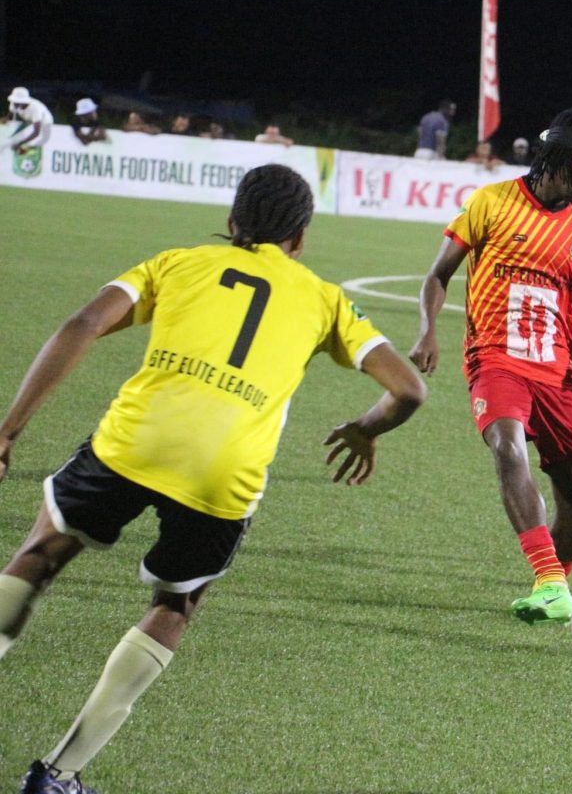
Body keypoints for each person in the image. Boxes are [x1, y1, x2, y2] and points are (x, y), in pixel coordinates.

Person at [0, 164, 427, 794]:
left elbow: (81, 325)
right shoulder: (324, 297)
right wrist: (366, 429)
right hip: (222, 472)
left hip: (133, 443)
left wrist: (8, 431)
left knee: (39, 554)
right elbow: (409, 390)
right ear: (300, 238)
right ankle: (59, 773)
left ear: (231, 223)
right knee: (174, 605)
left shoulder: (177, 262)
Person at [409, 108, 572, 626]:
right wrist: (428, 330)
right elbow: (438, 275)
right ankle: (550, 579)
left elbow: (562, 302)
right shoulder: (492, 203)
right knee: (507, 445)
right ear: (555, 156)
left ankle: (552, 587)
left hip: (555, 369)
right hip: (494, 356)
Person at [5, 86, 54, 154]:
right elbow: (10, 116)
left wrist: (20, 144)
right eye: (14, 101)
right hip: (28, 119)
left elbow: (36, 133)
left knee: (39, 142)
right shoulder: (14, 103)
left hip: (44, 122)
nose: (14, 104)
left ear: (23, 102)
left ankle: (28, 151)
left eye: (17, 102)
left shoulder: (35, 108)